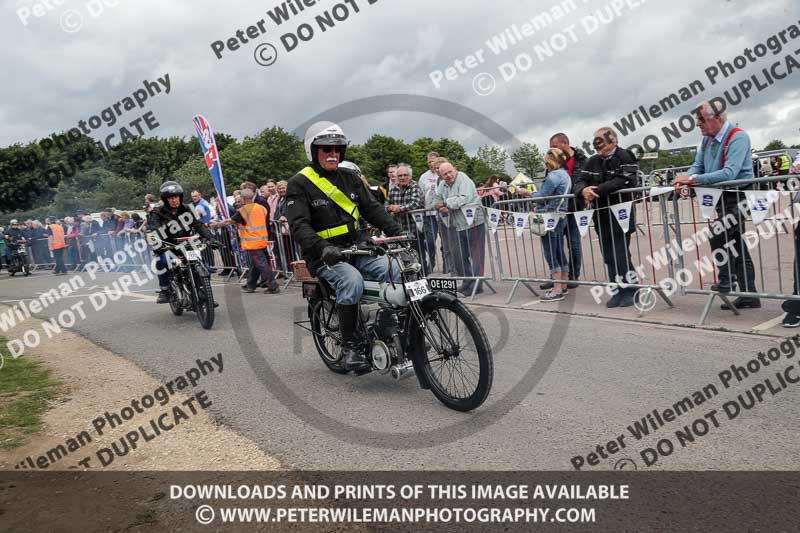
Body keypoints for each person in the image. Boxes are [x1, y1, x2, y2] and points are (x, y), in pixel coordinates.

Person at [286, 122, 402, 373]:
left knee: (396, 270)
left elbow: (373, 210)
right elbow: (299, 226)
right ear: (313, 150)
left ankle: (399, 332)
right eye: (326, 148)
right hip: (325, 255)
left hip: (357, 249)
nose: (333, 153)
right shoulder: (299, 183)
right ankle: (350, 348)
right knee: (352, 282)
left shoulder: (350, 178)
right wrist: (323, 247)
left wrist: (398, 232)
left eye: (338, 149)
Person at [673, 101, 759, 310]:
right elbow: (697, 165)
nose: (697, 124)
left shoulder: (738, 137)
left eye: (701, 119)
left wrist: (692, 180)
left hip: (739, 195)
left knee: (718, 232)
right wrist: (687, 177)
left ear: (717, 118)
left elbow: (730, 172)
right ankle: (750, 294)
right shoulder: (707, 140)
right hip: (720, 196)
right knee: (736, 243)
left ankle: (726, 279)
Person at [574, 127, 639, 308]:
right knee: (609, 256)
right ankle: (617, 291)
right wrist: (582, 190)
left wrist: (595, 191)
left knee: (621, 254)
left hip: (621, 214)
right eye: (595, 141)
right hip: (600, 215)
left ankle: (631, 290)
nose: (596, 145)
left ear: (612, 141)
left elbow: (624, 180)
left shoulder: (626, 156)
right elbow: (579, 181)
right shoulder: (591, 161)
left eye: (600, 141)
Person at [148, 181, 215, 304]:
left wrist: (210, 238)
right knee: (161, 261)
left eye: (176, 197)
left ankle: (204, 293)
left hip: (187, 244)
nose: (174, 200)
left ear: (180, 197)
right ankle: (165, 290)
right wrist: (158, 244)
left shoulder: (188, 208)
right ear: (165, 199)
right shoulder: (158, 211)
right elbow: (155, 229)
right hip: (168, 245)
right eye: (171, 198)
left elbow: (198, 225)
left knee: (204, 266)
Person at [211, 188, 280, 294]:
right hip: (262, 239)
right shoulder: (261, 208)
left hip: (252, 241)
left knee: (261, 264)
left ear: (244, 198)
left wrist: (217, 224)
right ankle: (250, 285)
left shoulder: (243, 210)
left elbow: (231, 221)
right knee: (255, 263)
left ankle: (272, 285)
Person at [434, 162, 486, 295]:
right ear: (441, 175)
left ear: (455, 169)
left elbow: (464, 199)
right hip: (456, 224)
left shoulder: (463, 179)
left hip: (474, 221)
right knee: (459, 256)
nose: (449, 175)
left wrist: (446, 203)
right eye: (445, 174)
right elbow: (437, 199)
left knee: (477, 255)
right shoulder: (442, 184)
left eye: (450, 171)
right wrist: (439, 205)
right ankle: (467, 282)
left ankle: (476, 285)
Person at [544, 133, 588, 290]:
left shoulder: (582, 160)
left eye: (554, 146)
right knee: (555, 244)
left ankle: (573, 276)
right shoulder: (554, 160)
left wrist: (572, 193)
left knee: (573, 243)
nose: (552, 149)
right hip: (556, 210)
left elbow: (583, 181)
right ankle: (558, 277)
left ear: (565, 143)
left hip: (574, 208)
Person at [531, 149, 572, 301]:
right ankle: (564, 284)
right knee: (559, 250)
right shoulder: (566, 175)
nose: (545, 165)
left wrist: (527, 193)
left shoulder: (554, 176)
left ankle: (556, 289)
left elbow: (542, 196)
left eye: (546, 162)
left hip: (549, 216)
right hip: (560, 215)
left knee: (550, 252)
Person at [386, 164, 426, 270]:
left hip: (414, 229)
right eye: (400, 176)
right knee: (402, 259)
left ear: (410, 176)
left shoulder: (415, 187)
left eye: (405, 175)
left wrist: (399, 209)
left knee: (418, 257)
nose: (402, 177)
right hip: (399, 230)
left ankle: (424, 279)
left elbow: (415, 204)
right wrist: (391, 207)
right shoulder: (393, 189)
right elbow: (385, 205)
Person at [418, 152, 441, 272]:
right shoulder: (423, 177)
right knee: (430, 241)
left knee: (447, 242)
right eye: (429, 161)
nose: (430, 163)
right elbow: (420, 194)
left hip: (443, 213)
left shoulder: (442, 174)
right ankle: (431, 259)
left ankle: (449, 266)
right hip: (429, 214)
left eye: (433, 161)